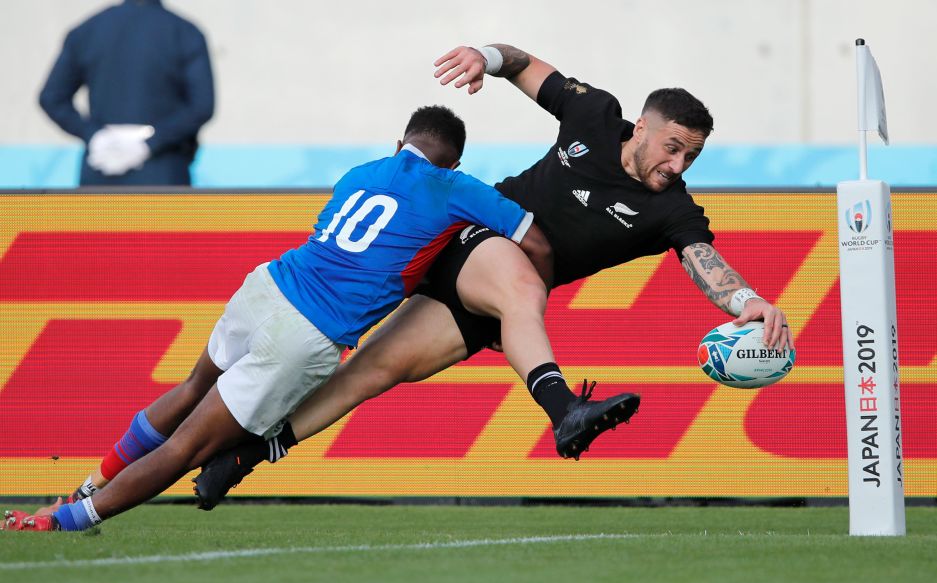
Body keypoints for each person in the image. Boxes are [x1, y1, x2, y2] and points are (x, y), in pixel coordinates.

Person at [183, 42, 796, 510]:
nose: (678, 162)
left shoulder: (673, 208)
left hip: (496, 296)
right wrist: (485, 55)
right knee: (528, 282)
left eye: (692, 154)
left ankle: (245, 456)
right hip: (476, 236)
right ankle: (564, 412)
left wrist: (746, 301)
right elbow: (522, 63)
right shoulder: (594, 114)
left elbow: (703, 262)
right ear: (640, 127)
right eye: (672, 146)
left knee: (371, 373)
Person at [4, 105, 635, 532]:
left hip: (267, 286)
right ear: (454, 160)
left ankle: (91, 482)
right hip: (306, 331)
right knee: (191, 445)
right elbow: (538, 245)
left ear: (399, 145)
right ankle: (63, 520)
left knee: (192, 390)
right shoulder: (454, 188)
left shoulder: (361, 172)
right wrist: (515, 307)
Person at [38, 0, 214, 186]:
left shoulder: (88, 30)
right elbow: (201, 105)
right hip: (162, 173)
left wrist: (95, 135)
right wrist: (150, 142)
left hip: (101, 169)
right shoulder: (184, 32)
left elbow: (52, 98)